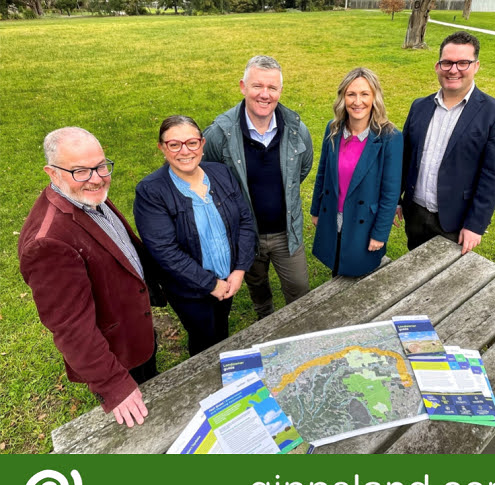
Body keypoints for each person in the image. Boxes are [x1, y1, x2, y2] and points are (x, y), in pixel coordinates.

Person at [18, 127, 166, 428]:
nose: (97, 177)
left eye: (100, 166)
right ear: (52, 172)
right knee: (145, 423)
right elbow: (71, 328)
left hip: (133, 327)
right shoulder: (48, 244)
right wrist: (115, 386)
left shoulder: (83, 194)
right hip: (117, 353)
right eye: (80, 170)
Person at [134, 115, 255, 357]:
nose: (184, 151)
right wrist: (211, 284)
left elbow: (245, 221)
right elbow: (164, 251)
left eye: (191, 143)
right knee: (204, 339)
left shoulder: (221, 173)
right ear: (162, 148)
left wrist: (240, 269)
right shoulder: (151, 191)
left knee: (220, 329)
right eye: (174, 144)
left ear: (202, 144)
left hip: (228, 279)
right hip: (190, 290)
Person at [203, 55, 313, 319]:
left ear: (280, 91)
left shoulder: (297, 130)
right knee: (258, 288)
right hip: (245, 234)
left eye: (272, 88)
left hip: (288, 233)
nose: (265, 95)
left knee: (300, 291)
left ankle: (301, 332)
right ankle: (266, 324)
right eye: (257, 86)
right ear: (243, 87)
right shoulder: (220, 134)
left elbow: (303, 169)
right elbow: (206, 176)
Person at [396, 31, 495, 254]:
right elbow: (405, 157)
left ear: (476, 66)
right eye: (447, 62)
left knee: (448, 282)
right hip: (416, 213)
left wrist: (475, 225)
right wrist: (396, 198)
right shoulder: (419, 106)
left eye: (463, 63)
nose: (453, 70)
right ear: (437, 66)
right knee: (413, 267)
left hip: (456, 221)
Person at [310, 67, 403, 277]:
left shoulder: (390, 137)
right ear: (343, 97)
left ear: (374, 98)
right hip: (334, 215)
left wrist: (380, 234)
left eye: (364, 94)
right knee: (337, 267)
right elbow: (323, 173)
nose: (357, 101)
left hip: (365, 223)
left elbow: (390, 192)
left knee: (360, 275)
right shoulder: (333, 129)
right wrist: (316, 210)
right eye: (351, 94)